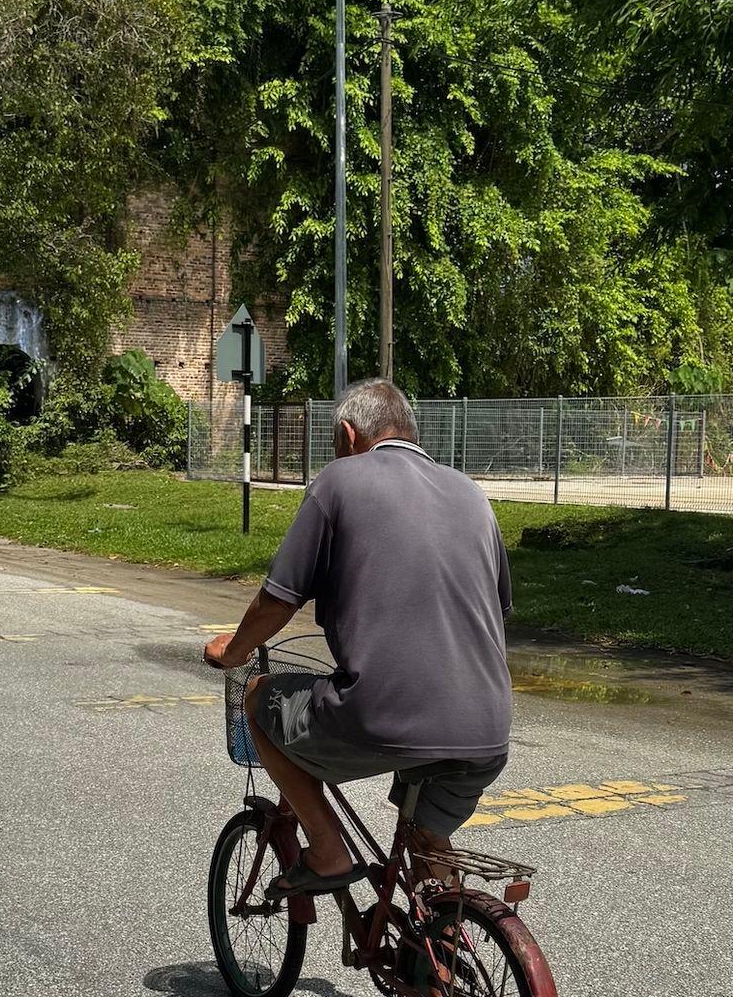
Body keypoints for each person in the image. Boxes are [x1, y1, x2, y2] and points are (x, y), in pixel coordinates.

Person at [203, 378, 513, 895]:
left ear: (348, 434)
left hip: (381, 715)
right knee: (427, 845)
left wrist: (232, 651)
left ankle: (326, 850)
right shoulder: (471, 493)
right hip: (486, 729)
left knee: (258, 700)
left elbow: (279, 598)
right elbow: (498, 608)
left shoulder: (338, 482)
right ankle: (441, 957)